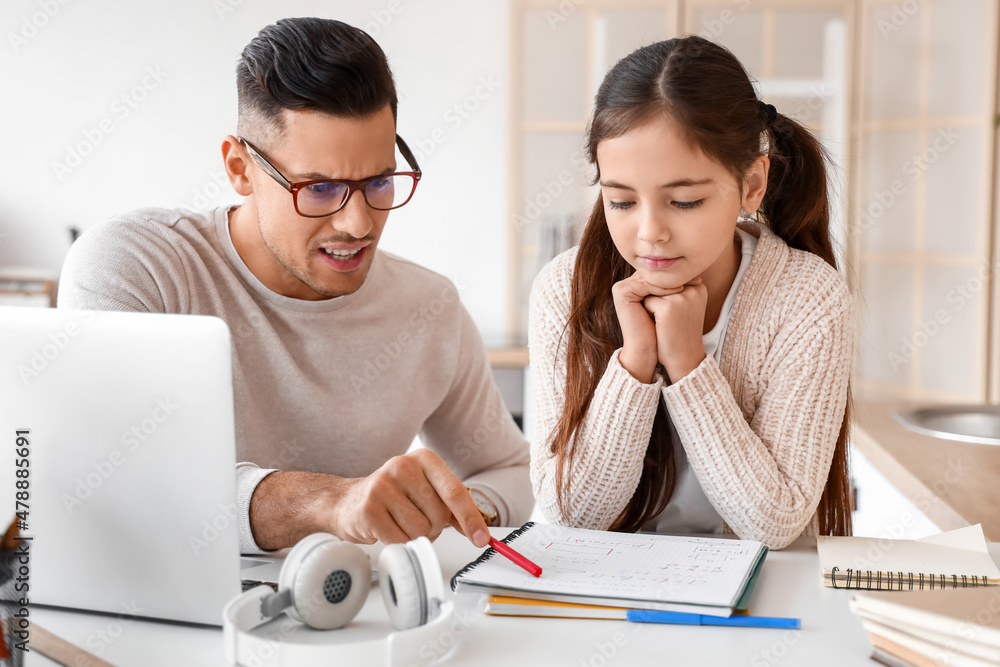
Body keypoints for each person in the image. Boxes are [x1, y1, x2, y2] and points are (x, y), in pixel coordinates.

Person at [58, 17, 531, 554]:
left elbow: (510, 469)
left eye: (378, 181)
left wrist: (455, 508)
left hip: (358, 620)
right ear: (240, 168)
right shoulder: (136, 266)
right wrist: (330, 503)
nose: (357, 224)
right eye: (321, 187)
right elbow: (111, 481)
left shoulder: (431, 308)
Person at [528, 36, 855, 550]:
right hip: (612, 597)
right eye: (621, 201)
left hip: (760, 607)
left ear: (751, 184)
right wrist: (635, 363)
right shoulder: (563, 290)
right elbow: (573, 516)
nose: (649, 231)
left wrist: (687, 363)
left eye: (683, 201)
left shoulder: (808, 298)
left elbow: (774, 523)